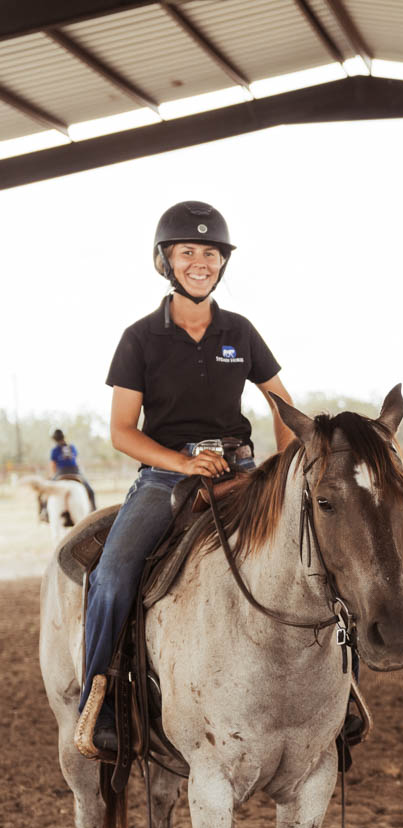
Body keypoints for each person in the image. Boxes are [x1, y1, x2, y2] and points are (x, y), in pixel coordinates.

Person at [76, 200, 295, 757]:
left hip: (241, 470)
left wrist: (285, 469)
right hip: (165, 476)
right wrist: (181, 463)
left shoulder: (240, 331)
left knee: (314, 550)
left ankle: (338, 698)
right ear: (165, 261)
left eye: (211, 253)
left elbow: (283, 407)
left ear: (223, 263)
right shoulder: (140, 338)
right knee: (113, 573)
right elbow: (123, 431)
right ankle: (100, 700)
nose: (201, 261)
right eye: (188, 252)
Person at [49, 429, 96, 509]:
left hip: (61, 472)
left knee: (48, 491)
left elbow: (53, 465)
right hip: (75, 471)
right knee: (90, 491)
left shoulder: (55, 450)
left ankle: (45, 511)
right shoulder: (72, 447)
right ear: (64, 437)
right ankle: (94, 508)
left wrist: (53, 475)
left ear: (55, 439)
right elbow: (75, 460)